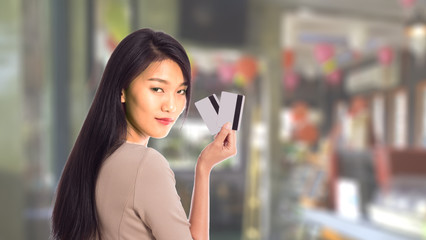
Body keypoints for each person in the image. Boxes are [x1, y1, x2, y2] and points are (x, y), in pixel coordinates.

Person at [51, 28, 237, 240]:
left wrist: (204, 167)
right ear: (122, 89)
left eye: (181, 91)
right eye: (157, 89)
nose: (171, 106)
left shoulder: (93, 159)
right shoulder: (146, 164)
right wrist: (204, 167)